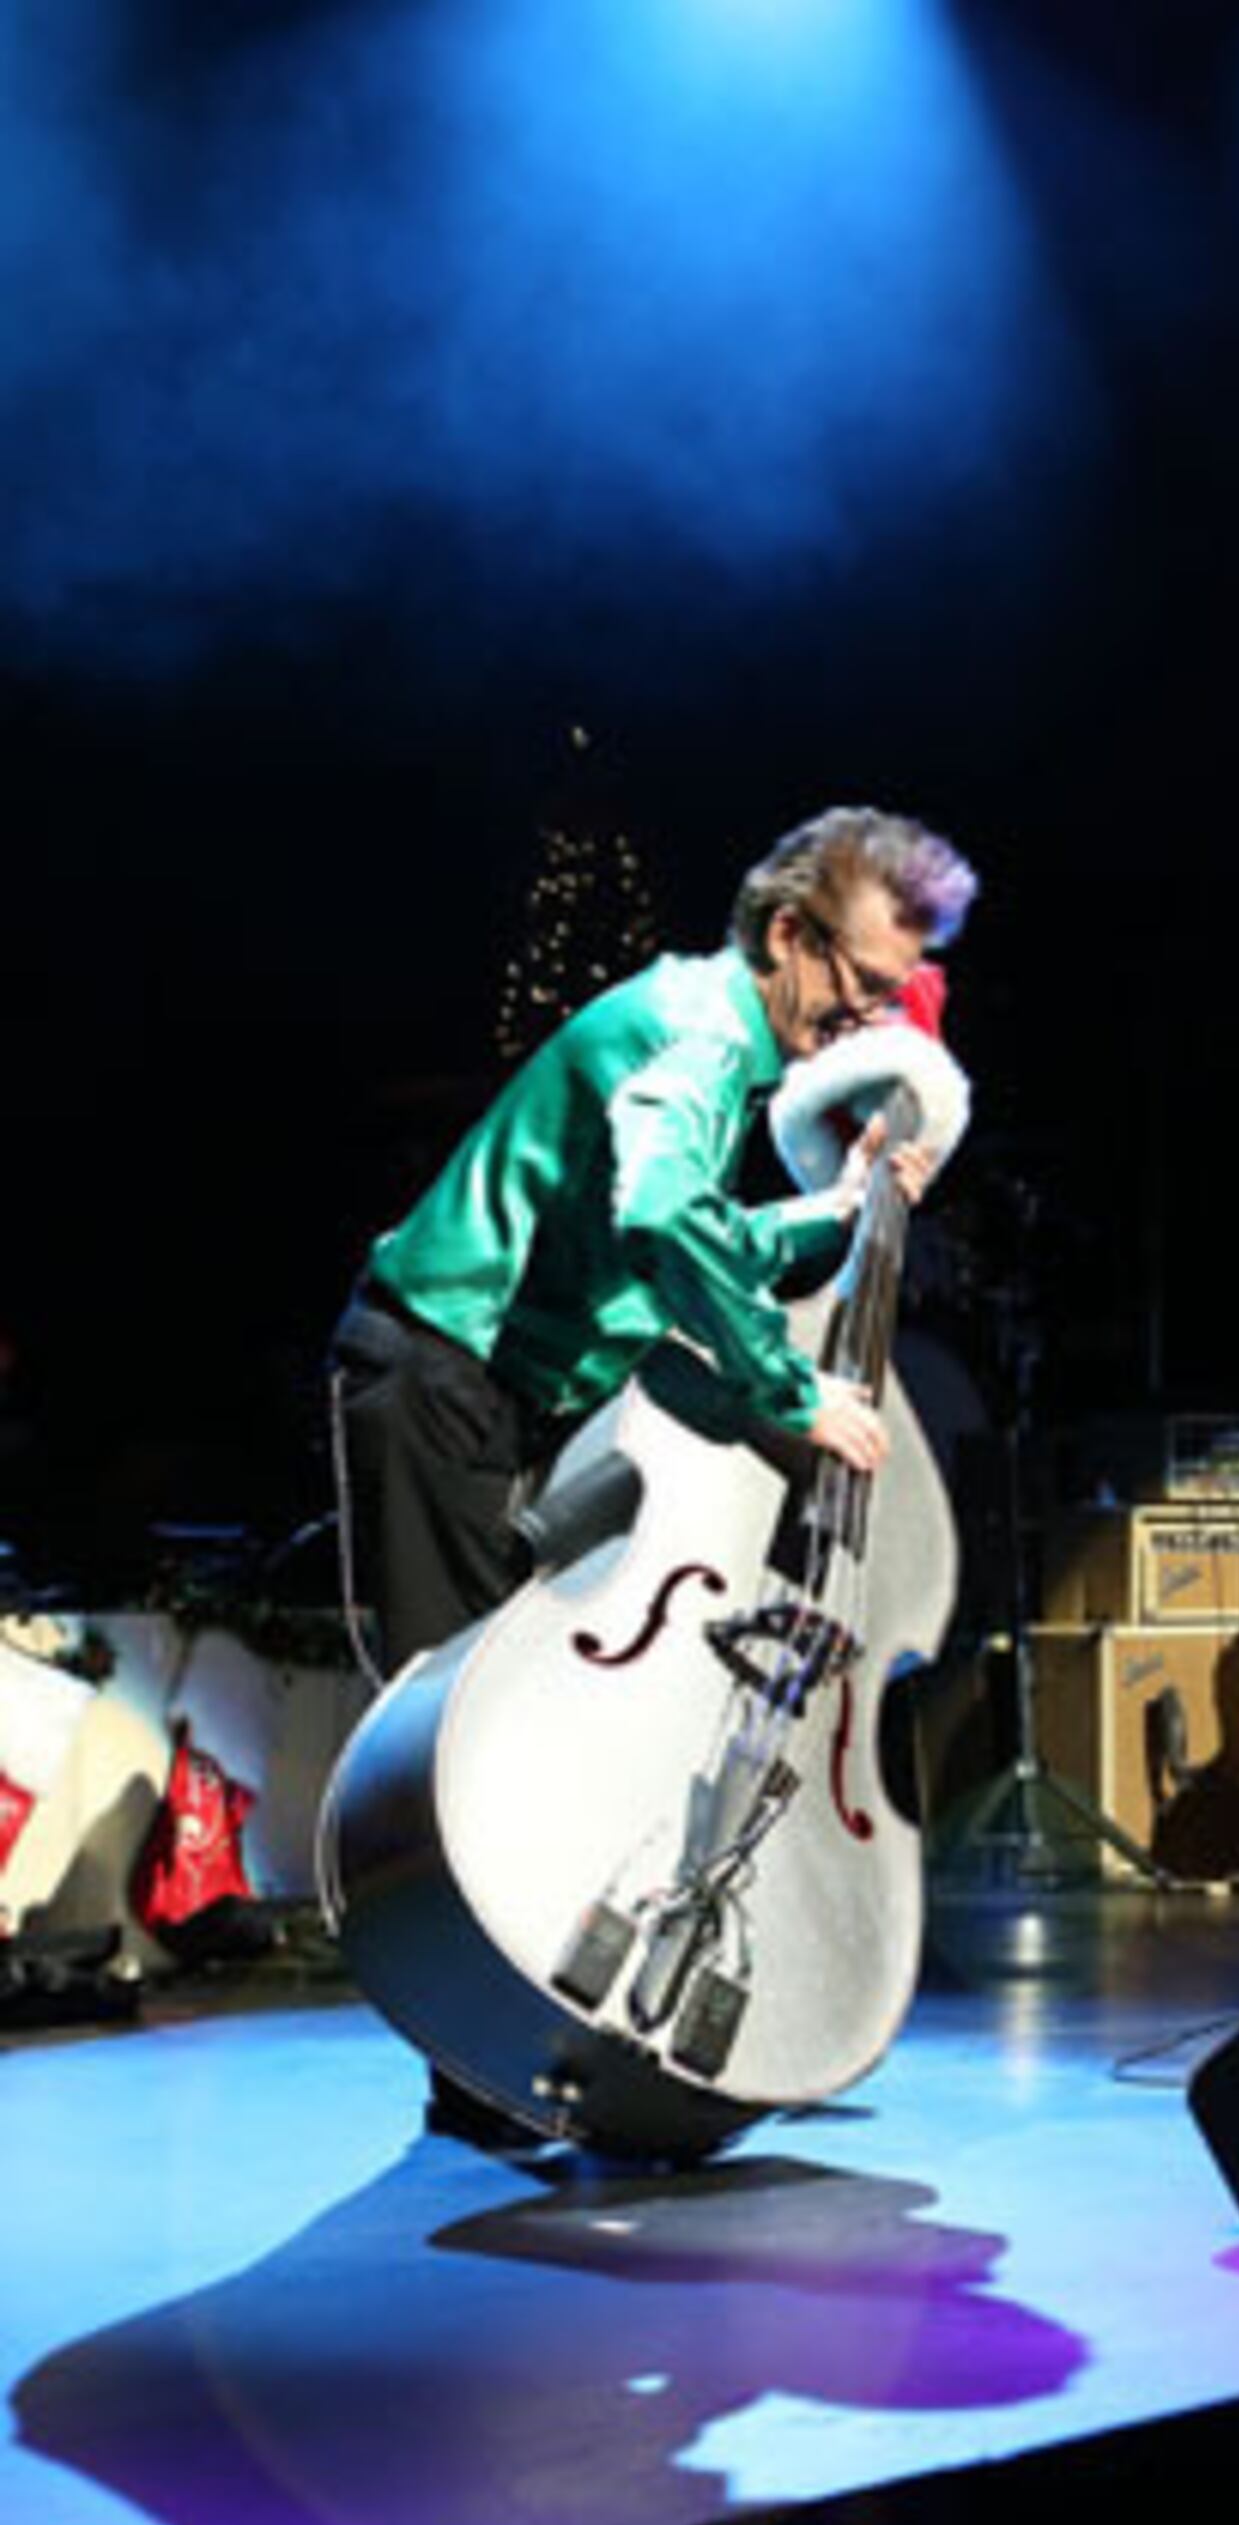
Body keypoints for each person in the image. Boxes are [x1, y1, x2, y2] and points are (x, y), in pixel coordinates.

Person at [326, 806, 978, 2142]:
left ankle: (521, 2058)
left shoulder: (725, 1040)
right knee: (463, 1720)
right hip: (440, 1368)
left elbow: (702, 1228)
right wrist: (789, 1393)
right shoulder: (696, 1030)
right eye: (858, 989)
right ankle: (489, 2064)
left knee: (529, 1706)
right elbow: (660, 1216)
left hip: (509, 1392)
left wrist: (837, 1212)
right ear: (788, 935)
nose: (863, 1026)